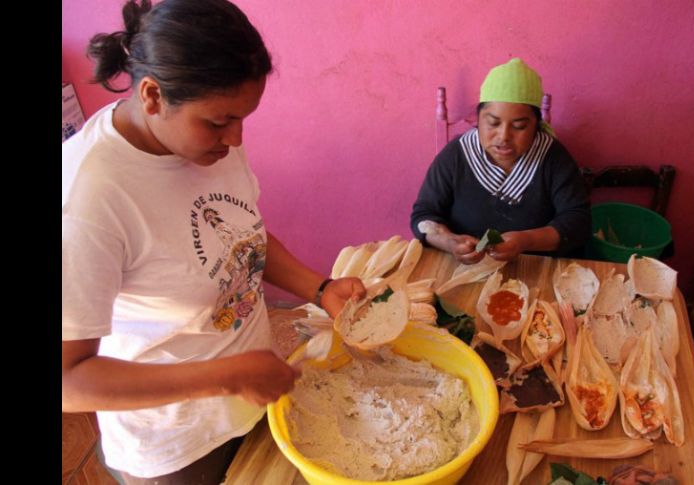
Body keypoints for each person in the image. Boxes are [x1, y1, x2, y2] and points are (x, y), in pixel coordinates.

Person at [61, 1, 366, 483]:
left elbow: (240, 234)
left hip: (250, 401)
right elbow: (68, 381)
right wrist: (226, 376)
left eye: (244, 118)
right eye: (220, 121)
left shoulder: (207, 143)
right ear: (153, 95)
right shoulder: (88, 199)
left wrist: (320, 287)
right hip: (176, 444)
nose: (237, 137)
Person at [410, 58, 591, 264]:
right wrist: (450, 242)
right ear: (478, 119)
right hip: (466, 269)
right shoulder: (456, 156)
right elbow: (424, 217)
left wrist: (525, 241)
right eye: (493, 123)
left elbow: (578, 223)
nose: (504, 136)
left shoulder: (552, 157)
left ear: (536, 125)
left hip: (536, 270)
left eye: (519, 126)